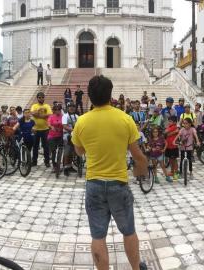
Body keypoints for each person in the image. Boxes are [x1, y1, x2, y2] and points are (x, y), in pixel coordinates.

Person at [71, 75, 148, 270]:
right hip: (118, 184)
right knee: (129, 231)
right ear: (110, 94)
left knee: (98, 236)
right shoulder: (125, 119)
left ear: (89, 95)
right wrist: (141, 171)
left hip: (94, 184)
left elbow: (79, 151)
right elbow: (138, 155)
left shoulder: (82, 121)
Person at [31, 92, 52, 167]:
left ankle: (47, 161)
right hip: (35, 129)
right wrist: (44, 115)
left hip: (45, 129)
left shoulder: (47, 105)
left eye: (42, 97)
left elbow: (49, 115)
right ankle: (34, 161)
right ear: (37, 98)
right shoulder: (34, 105)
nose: (41, 99)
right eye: (39, 97)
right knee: (35, 146)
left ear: (44, 98)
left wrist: (38, 115)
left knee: (45, 146)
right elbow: (33, 113)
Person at [62, 103, 79, 176]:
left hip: (75, 134)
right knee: (68, 151)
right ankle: (66, 167)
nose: (71, 108)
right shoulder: (65, 116)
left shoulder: (77, 116)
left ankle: (70, 166)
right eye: (70, 107)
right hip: (67, 134)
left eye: (73, 107)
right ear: (67, 108)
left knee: (73, 151)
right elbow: (65, 126)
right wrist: (72, 130)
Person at [48, 103, 64, 171]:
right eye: (56, 109)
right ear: (54, 110)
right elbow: (48, 124)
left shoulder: (63, 116)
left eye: (59, 109)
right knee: (53, 150)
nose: (57, 111)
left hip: (60, 136)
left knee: (60, 150)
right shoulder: (51, 117)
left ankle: (60, 163)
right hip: (52, 136)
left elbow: (65, 124)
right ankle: (54, 165)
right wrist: (51, 127)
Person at [164, 115, 179, 180]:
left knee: (174, 160)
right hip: (169, 146)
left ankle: (176, 173)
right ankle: (172, 172)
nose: (169, 122)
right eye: (168, 121)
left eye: (170, 121)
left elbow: (165, 132)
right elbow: (166, 134)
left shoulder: (173, 127)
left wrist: (167, 133)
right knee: (171, 160)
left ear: (175, 122)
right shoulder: (170, 126)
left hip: (173, 146)